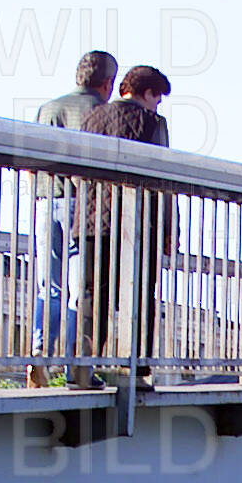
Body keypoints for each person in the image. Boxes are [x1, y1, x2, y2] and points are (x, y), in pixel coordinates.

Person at [77, 65, 172, 389]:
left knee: (93, 296)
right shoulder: (153, 123)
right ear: (148, 93)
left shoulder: (92, 117)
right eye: (157, 99)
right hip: (139, 223)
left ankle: (83, 366)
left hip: (94, 220)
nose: (157, 106)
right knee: (140, 296)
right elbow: (163, 178)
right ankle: (135, 371)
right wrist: (167, 228)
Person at [28, 51, 118, 389]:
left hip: (45, 200)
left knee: (48, 286)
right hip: (82, 206)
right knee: (79, 292)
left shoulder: (48, 108)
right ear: (107, 83)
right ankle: (76, 367)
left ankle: (39, 353)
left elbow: (33, 160)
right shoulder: (101, 112)